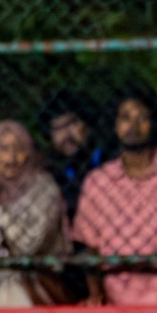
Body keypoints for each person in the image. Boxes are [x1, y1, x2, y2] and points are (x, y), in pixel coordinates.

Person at [72, 88, 157, 305]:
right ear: (114, 125)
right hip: (115, 298)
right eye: (125, 118)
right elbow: (91, 248)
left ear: (154, 122)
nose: (133, 126)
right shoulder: (98, 182)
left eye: (142, 117)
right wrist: (96, 295)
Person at [0, 121, 70, 309]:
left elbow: (27, 247)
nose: (12, 157)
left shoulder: (43, 189)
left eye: (19, 149)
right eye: (3, 149)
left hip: (31, 282)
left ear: (28, 153)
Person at [40, 90, 102, 219]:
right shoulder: (54, 175)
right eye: (57, 129)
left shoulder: (108, 160)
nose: (66, 135)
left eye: (71, 123)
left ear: (86, 124)